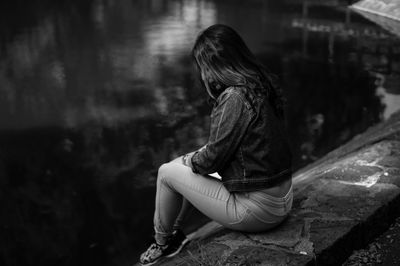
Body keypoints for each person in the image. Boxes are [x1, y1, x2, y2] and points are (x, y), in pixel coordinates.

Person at [139, 24, 293, 265]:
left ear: (215, 66)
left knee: (166, 172)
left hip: (260, 212)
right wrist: (193, 159)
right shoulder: (260, 83)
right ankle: (175, 234)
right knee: (187, 164)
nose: (204, 76)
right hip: (283, 197)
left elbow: (212, 160)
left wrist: (190, 160)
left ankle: (162, 242)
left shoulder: (234, 97)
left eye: (203, 68)